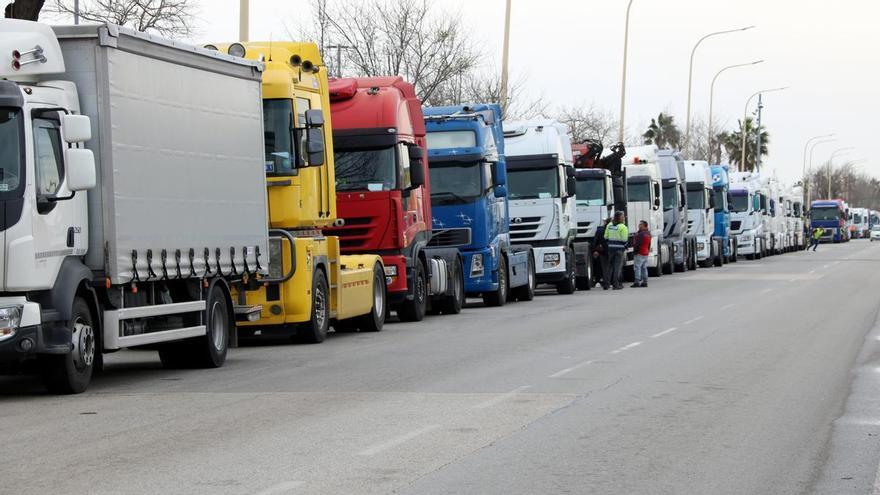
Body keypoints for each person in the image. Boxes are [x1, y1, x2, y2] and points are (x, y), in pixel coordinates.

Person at [604, 211, 629, 290]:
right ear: (620, 218)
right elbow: (624, 239)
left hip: (611, 248)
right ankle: (615, 284)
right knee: (617, 267)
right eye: (623, 217)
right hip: (619, 249)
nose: (624, 218)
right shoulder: (623, 227)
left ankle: (606, 284)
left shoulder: (609, 225)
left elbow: (605, 237)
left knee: (609, 267)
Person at [631, 221, 651, 288]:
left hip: (640, 252)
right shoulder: (648, 233)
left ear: (645, 225)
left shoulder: (641, 234)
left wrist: (635, 251)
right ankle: (645, 282)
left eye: (641, 224)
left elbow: (637, 244)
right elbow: (649, 244)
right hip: (645, 252)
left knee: (637, 267)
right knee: (644, 267)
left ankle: (637, 282)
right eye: (639, 224)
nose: (639, 225)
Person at [593, 217, 611, 289]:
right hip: (611, 251)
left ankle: (606, 282)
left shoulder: (599, 230)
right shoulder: (613, 229)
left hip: (602, 251)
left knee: (604, 268)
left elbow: (595, 242)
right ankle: (610, 282)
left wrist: (595, 250)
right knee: (611, 267)